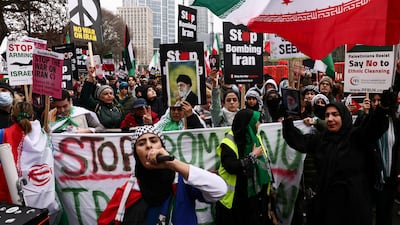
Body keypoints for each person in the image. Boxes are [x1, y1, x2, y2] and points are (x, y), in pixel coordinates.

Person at [282, 101, 390, 225]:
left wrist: (382, 109)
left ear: (344, 116)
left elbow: (374, 128)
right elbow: (299, 141)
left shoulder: (356, 137)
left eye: (335, 114)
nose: (330, 119)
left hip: (354, 205)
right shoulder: (321, 139)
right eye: (327, 115)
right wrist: (288, 120)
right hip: (327, 205)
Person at [98, 125, 227, 225]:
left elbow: (220, 189)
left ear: (162, 147)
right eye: (141, 143)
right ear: (136, 154)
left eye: (153, 141)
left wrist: (173, 163)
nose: (148, 146)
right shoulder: (128, 190)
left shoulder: (182, 182)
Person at [0, 102, 60, 223]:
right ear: (33, 116)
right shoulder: (44, 134)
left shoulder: (3, 134)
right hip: (45, 196)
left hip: (16, 200)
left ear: (12, 117)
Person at [215, 109, 275, 225]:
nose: (258, 124)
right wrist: (252, 157)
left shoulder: (254, 139)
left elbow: (265, 164)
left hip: (252, 199)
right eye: (256, 121)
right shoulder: (229, 142)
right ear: (247, 124)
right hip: (233, 202)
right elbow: (231, 167)